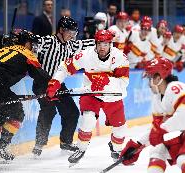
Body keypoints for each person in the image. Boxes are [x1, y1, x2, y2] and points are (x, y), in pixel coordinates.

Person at [119, 57, 185, 173]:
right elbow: (156, 128)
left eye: (150, 77)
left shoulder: (176, 88)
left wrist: (160, 131)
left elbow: (182, 119)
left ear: (159, 76)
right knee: (157, 149)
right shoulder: (158, 98)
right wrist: (137, 145)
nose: (148, 82)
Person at [46, 30, 129, 165]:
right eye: (100, 43)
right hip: (91, 94)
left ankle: (116, 150)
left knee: (120, 128)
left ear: (111, 44)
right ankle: (81, 148)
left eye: (106, 44)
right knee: (88, 120)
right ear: (95, 43)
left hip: (112, 97)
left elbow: (123, 83)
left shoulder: (120, 58)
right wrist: (54, 83)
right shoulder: (86, 55)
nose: (102, 47)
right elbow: (65, 67)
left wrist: (106, 81)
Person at [0, 30, 51, 162]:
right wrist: (54, 85)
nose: (34, 48)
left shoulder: (6, 49)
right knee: (18, 114)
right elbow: (38, 74)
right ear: (26, 43)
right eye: (33, 44)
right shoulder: (26, 53)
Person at [32, 16, 95, 156]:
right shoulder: (49, 41)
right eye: (70, 32)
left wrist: (103, 41)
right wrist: (28, 39)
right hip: (42, 83)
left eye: (74, 33)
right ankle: (39, 144)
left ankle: (66, 142)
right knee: (48, 111)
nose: (72, 35)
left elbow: (85, 44)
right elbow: (36, 41)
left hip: (58, 84)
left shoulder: (70, 44)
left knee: (72, 112)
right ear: (61, 30)